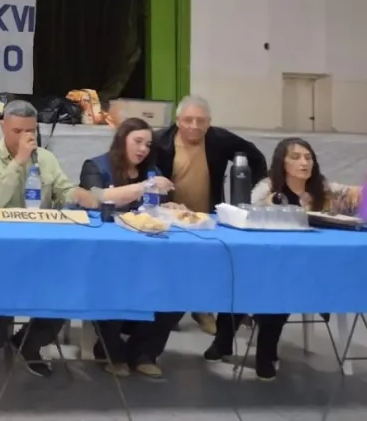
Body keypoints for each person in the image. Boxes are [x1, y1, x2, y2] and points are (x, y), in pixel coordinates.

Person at [205, 138, 362, 380]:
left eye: (308, 157)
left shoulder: (324, 188)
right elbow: (244, 216)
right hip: (266, 262)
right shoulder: (267, 188)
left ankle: (262, 351)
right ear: (282, 162)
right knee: (251, 281)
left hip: (308, 266)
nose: (304, 162)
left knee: (282, 286)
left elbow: (357, 197)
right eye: (296, 157)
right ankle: (229, 342)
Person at [0, 100, 98, 376]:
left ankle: (29, 342)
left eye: (30, 131)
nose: (25, 137)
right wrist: (19, 161)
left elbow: (63, 190)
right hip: (1, 245)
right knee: (2, 285)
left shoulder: (46, 158)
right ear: (2, 127)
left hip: (42, 244)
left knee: (69, 284)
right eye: (17, 131)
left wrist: (78, 195)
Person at [153, 95, 268, 337]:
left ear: (209, 122)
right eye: (188, 120)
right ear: (177, 120)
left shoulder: (219, 139)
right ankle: (168, 311)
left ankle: (203, 309)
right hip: (168, 216)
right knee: (169, 264)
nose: (194, 126)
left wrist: (252, 195)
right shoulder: (159, 142)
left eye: (200, 121)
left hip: (208, 217)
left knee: (206, 264)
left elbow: (256, 158)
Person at [79, 118, 181, 379]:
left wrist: (171, 207)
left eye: (148, 144)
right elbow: (96, 199)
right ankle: (113, 350)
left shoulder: (152, 171)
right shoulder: (95, 166)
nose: (143, 149)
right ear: (122, 139)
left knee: (179, 288)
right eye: (137, 141)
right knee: (111, 285)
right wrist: (145, 187)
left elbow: (157, 209)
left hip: (149, 253)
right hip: (108, 254)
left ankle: (143, 352)